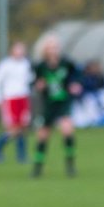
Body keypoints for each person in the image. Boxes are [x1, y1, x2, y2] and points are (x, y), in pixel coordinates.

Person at [31, 35, 82, 177]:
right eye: (51, 47)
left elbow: (78, 75)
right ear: (45, 50)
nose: (54, 50)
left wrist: (75, 85)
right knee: (42, 136)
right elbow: (33, 82)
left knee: (67, 131)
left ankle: (70, 166)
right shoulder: (40, 66)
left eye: (56, 47)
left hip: (64, 102)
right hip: (48, 104)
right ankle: (37, 168)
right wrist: (38, 85)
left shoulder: (66, 63)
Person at [0, 41, 34, 164]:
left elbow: (31, 79)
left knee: (23, 127)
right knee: (13, 128)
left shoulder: (26, 64)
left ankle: (21, 155)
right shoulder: (5, 65)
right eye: (17, 49)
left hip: (23, 98)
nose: (20, 52)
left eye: (22, 49)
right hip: (10, 99)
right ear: (12, 51)